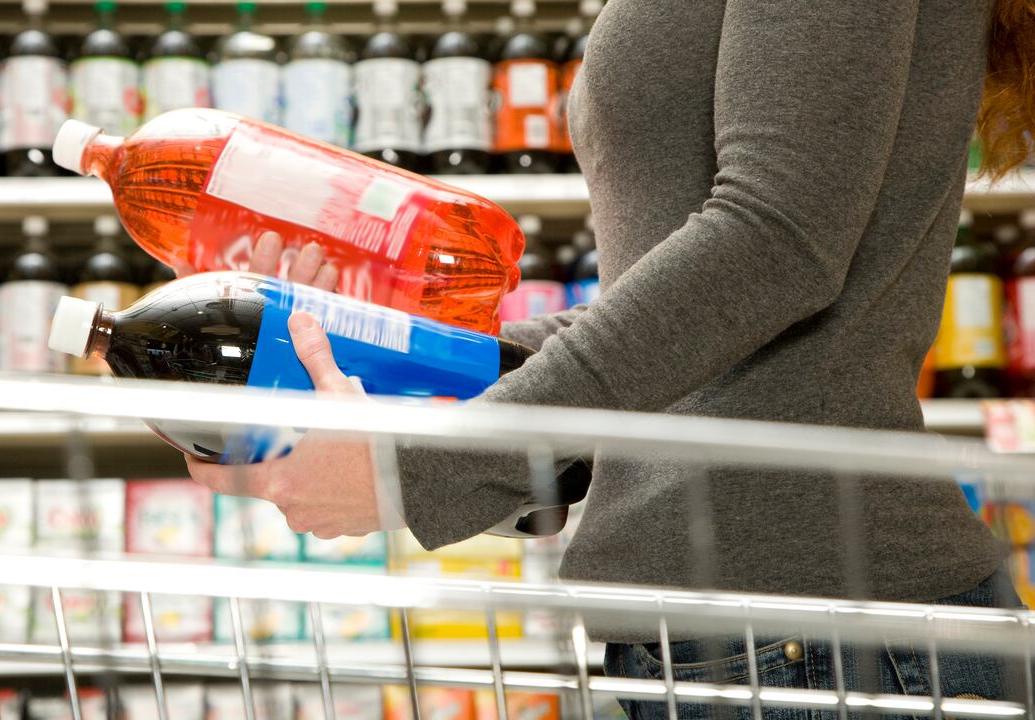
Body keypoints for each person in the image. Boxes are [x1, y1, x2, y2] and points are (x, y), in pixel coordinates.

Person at [187, 1, 1035, 714]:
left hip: (813, 632)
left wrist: (413, 467)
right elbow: (681, 336)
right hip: (732, 632)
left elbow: (778, 242)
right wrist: (351, 364)